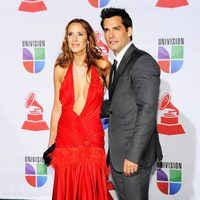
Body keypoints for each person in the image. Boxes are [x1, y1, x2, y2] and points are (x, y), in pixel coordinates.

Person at [100, 8, 163, 200]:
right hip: (119, 156)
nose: (110, 35)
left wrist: (134, 156)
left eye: (116, 28)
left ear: (129, 31)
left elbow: (147, 110)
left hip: (134, 158)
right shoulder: (117, 65)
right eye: (106, 30)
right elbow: (117, 104)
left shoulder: (142, 62)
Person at [48, 18, 111, 200]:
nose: (74, 39)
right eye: (70, 34)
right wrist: (51, 143)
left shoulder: (102, 66)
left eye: (80, 34)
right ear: (66, 38)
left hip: (92, 136)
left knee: (91, 189)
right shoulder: (60, 68)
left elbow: (118, 101)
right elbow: (57, 108)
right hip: (66, 137)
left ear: (88, 39)